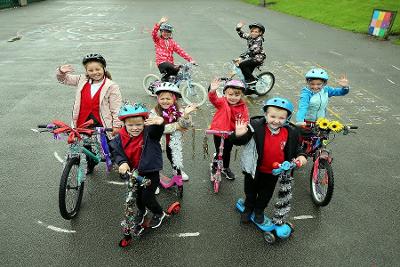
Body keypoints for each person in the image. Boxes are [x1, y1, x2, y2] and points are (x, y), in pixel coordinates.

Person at [229, 97, 308, 224]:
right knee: (250, 191)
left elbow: (297, 147)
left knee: (266, 193)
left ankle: (259, 210)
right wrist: (238, 134)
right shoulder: (255, 126)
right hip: (254, 169)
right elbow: (239, 141)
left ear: (287, 118)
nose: (276, 121)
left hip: (274, 172)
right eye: (272, 116)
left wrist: (302, 155)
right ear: (265, 115)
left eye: (281, 118)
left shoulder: (291, 132)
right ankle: (248, 208)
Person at [56, 53, 122, 174]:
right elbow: (63, 79)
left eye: (98, 69)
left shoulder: (111, 86)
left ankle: (121, 165)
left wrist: (117, 125)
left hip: (102, 122)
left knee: (111, 145)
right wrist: (61, 71)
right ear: (86, 71)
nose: (95, 72)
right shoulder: (82, 79)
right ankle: (90, 164)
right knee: (86, 146)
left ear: (104, 69)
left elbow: (116, 108)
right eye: (90, 70)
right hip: (83, 121)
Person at [110, 102, 166, 230]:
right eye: (130, 125)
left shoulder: (149, 134)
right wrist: (122, 162)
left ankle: (159, 213)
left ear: (144, 122)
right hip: (135, 173)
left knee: (147, 197)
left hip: (150, 172)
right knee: (136, 196)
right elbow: (116, 152)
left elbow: (157, 132)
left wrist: (160, 123)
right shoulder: (121, 137)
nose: (135, 128)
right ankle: (142, 211)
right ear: (124, 124)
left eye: (139, 124)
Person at [151, 82, 197, 182]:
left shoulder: (179, 110)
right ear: (158, 99)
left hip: (173, 140)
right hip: (158, 140)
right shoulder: (154, 112)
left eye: (168, 99)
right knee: (156, 158)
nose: (165, 101)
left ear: (174, 99)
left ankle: (176, 169)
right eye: (162, 98)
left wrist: (186, 115)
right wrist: (176, 126)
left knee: (174, 156)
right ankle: (155, 175)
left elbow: (185, 125)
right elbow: (159, 128)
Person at [208, 78, 249, 180]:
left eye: (237, 95)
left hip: (231, 133)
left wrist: (243, 128)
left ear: (241, 95)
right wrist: (212, 91)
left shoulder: (242, 107)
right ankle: (215, 165)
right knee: (219, 151)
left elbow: (245, 119)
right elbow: (214, 99)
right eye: (230, 94)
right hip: (218, 132)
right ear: (225, 93)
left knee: (227, 151)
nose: (233, 97)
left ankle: (225, 168)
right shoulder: (222, 102)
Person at [152, 17, 196, 82]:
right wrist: (159, 23)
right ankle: (163, 79)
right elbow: (154, 33)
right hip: (162, 63)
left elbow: (181, 51)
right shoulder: (158, 40)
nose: (166, 33)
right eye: (164, 31)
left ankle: (166, 83)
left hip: (170, 63)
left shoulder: (172, 42)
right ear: (161, 32)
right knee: (173, 67)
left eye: (168, 32)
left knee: (175, 74)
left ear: (171, 33)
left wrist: (190, 60)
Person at [235, 22, 266, 87]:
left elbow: (251, 50)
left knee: (242, 65)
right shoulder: (250, 36)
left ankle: (252, 80)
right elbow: (242, 34)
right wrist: (238, 28)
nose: (253, 33)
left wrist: (241, 57)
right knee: (247, 73)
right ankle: (250, 88)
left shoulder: (259, 40)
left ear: (260, 33)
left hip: (258, 58)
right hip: (252, 57)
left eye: (256, 32)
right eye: (252, 31)